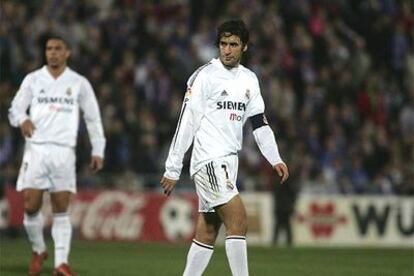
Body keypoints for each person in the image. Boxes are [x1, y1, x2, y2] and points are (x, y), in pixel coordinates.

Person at [160, 20, 289, 276]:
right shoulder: (205, 76)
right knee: (238, 219)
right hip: (208, 160)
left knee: (208, 231)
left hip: (228, 162)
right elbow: (187, 121)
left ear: (245, 47)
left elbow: (259, 123)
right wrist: (173, 167)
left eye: (233, 44)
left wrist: (275, 157)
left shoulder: (249, 79)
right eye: (223, 44)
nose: (227, 50)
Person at [8, 34, 106, 276]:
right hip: (37, 149)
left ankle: (61, 263)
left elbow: (93, 117)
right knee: (31, 206)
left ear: (67, 52)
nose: (52, 52)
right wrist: (23, 119)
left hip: (64, 151)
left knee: (61, 206)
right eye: (49, 48)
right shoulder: (33, 79)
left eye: (58, 48)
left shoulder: (79, 83)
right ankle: (39, 249)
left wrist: (98, 149)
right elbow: (15, 108)